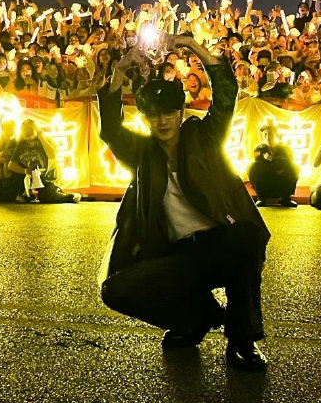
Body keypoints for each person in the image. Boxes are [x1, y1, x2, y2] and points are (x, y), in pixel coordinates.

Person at [97, 35, 270, 372]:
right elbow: (112, 128)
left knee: (246, 238)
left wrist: (193, 47)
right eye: (153, 115)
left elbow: (224, 93)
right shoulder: (142, 154)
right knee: (116, 290)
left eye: (168, 113)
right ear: (146, 117)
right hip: (178, 255)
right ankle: (199, 318)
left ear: (181, 111)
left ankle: (242, 339)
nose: (162, 122)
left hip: (221, 244)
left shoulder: (204, 137)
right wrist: (118, 70)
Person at [8, 118, 80, 203]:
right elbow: (11, 165)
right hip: (31, 177)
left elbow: (53, 155)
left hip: (48, 177)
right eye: (25, 129)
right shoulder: (21, 144)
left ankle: (70, 196)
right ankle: (27, 195)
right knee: (15, 187)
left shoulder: (46, 141)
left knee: (46, 196)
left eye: (31, 128)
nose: (28, 132)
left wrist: (41, 136)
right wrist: (25, 171)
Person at [249, 120, 299, 207]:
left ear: (275, 134)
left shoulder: (285, 148)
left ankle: (286, 198)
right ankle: (261, 198)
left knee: (294, 167)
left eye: (270, 134)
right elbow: (258, 162)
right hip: (266, 176)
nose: (268, 137)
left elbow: (289, 161)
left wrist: (273, 160)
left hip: (281, 174)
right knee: (253, 167)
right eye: (265, 134)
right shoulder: (259, 149)